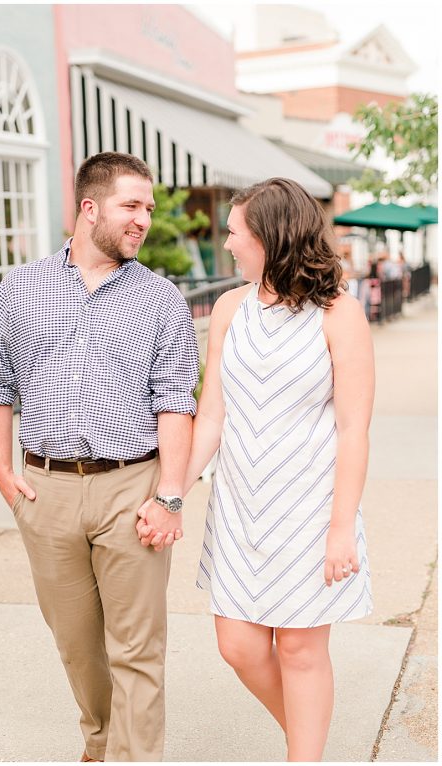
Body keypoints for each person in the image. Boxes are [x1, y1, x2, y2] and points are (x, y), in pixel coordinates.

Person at [0, 152, 199, 762]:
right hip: (46, 490)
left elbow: (177, 403)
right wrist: (2, 471)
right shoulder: (19, 288)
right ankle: (101, 742)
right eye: (132, 207)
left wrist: (170, 494)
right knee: (76, 644)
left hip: (132, 485)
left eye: (149, 210)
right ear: (89, 208)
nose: (143, 221)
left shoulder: (161, 300)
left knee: (138, 650)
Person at [139, 177, 373, 761]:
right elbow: (210, 415)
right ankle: (306, 741)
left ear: (270, 237)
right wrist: (172, 495)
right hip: (241, 504)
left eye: (235, 232)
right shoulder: (229, 308)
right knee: (239, 646)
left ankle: (305, 758)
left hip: (312, 507)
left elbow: (354, 429)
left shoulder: (339, 315)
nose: (226, 242)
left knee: (299, 650)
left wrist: (341, 528)